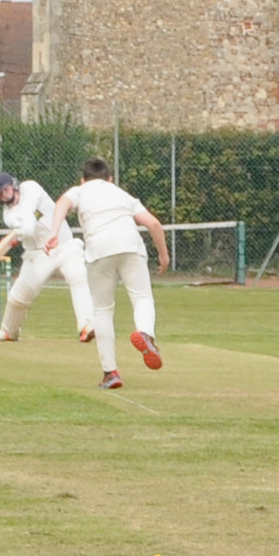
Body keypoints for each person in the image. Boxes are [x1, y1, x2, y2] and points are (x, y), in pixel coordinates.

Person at [57, 158, 170, 389]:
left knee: (102, 310)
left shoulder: (80, 190)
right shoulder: (120, 193)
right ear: (110, 179)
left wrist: (53, 232)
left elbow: (62, 204)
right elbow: (154, 224)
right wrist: (164, 255)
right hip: (130, 245)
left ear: (83, 179)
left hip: (99, 250)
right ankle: (146, 334)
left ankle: (111, 373)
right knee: (142, 298)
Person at [0, 170, 93, 343]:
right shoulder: (8, 215)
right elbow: (27, 229)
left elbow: (29, 223)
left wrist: (12, 237)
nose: (6, 194)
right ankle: (8, 332)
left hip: (63, 244)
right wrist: (16, 235)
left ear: (14, 185)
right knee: (18, 297)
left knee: (78, 275)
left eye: (7, 189)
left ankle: (87, 325)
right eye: (1, 194)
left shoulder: (31, 188)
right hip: (37, 255)